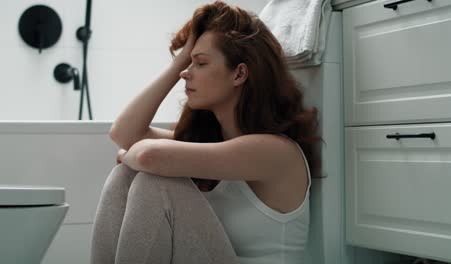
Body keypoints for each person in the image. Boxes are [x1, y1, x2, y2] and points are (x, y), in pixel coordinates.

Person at [90, 1, 320, 264]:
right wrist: (182, 58)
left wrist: (129, 153)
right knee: (124, 174)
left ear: (239, 73)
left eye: (199, 63)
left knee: (155, 181)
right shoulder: (212, 143)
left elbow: (148, 156)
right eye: (187, 63)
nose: (185, 74)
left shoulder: (274, 151)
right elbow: (124, 132)